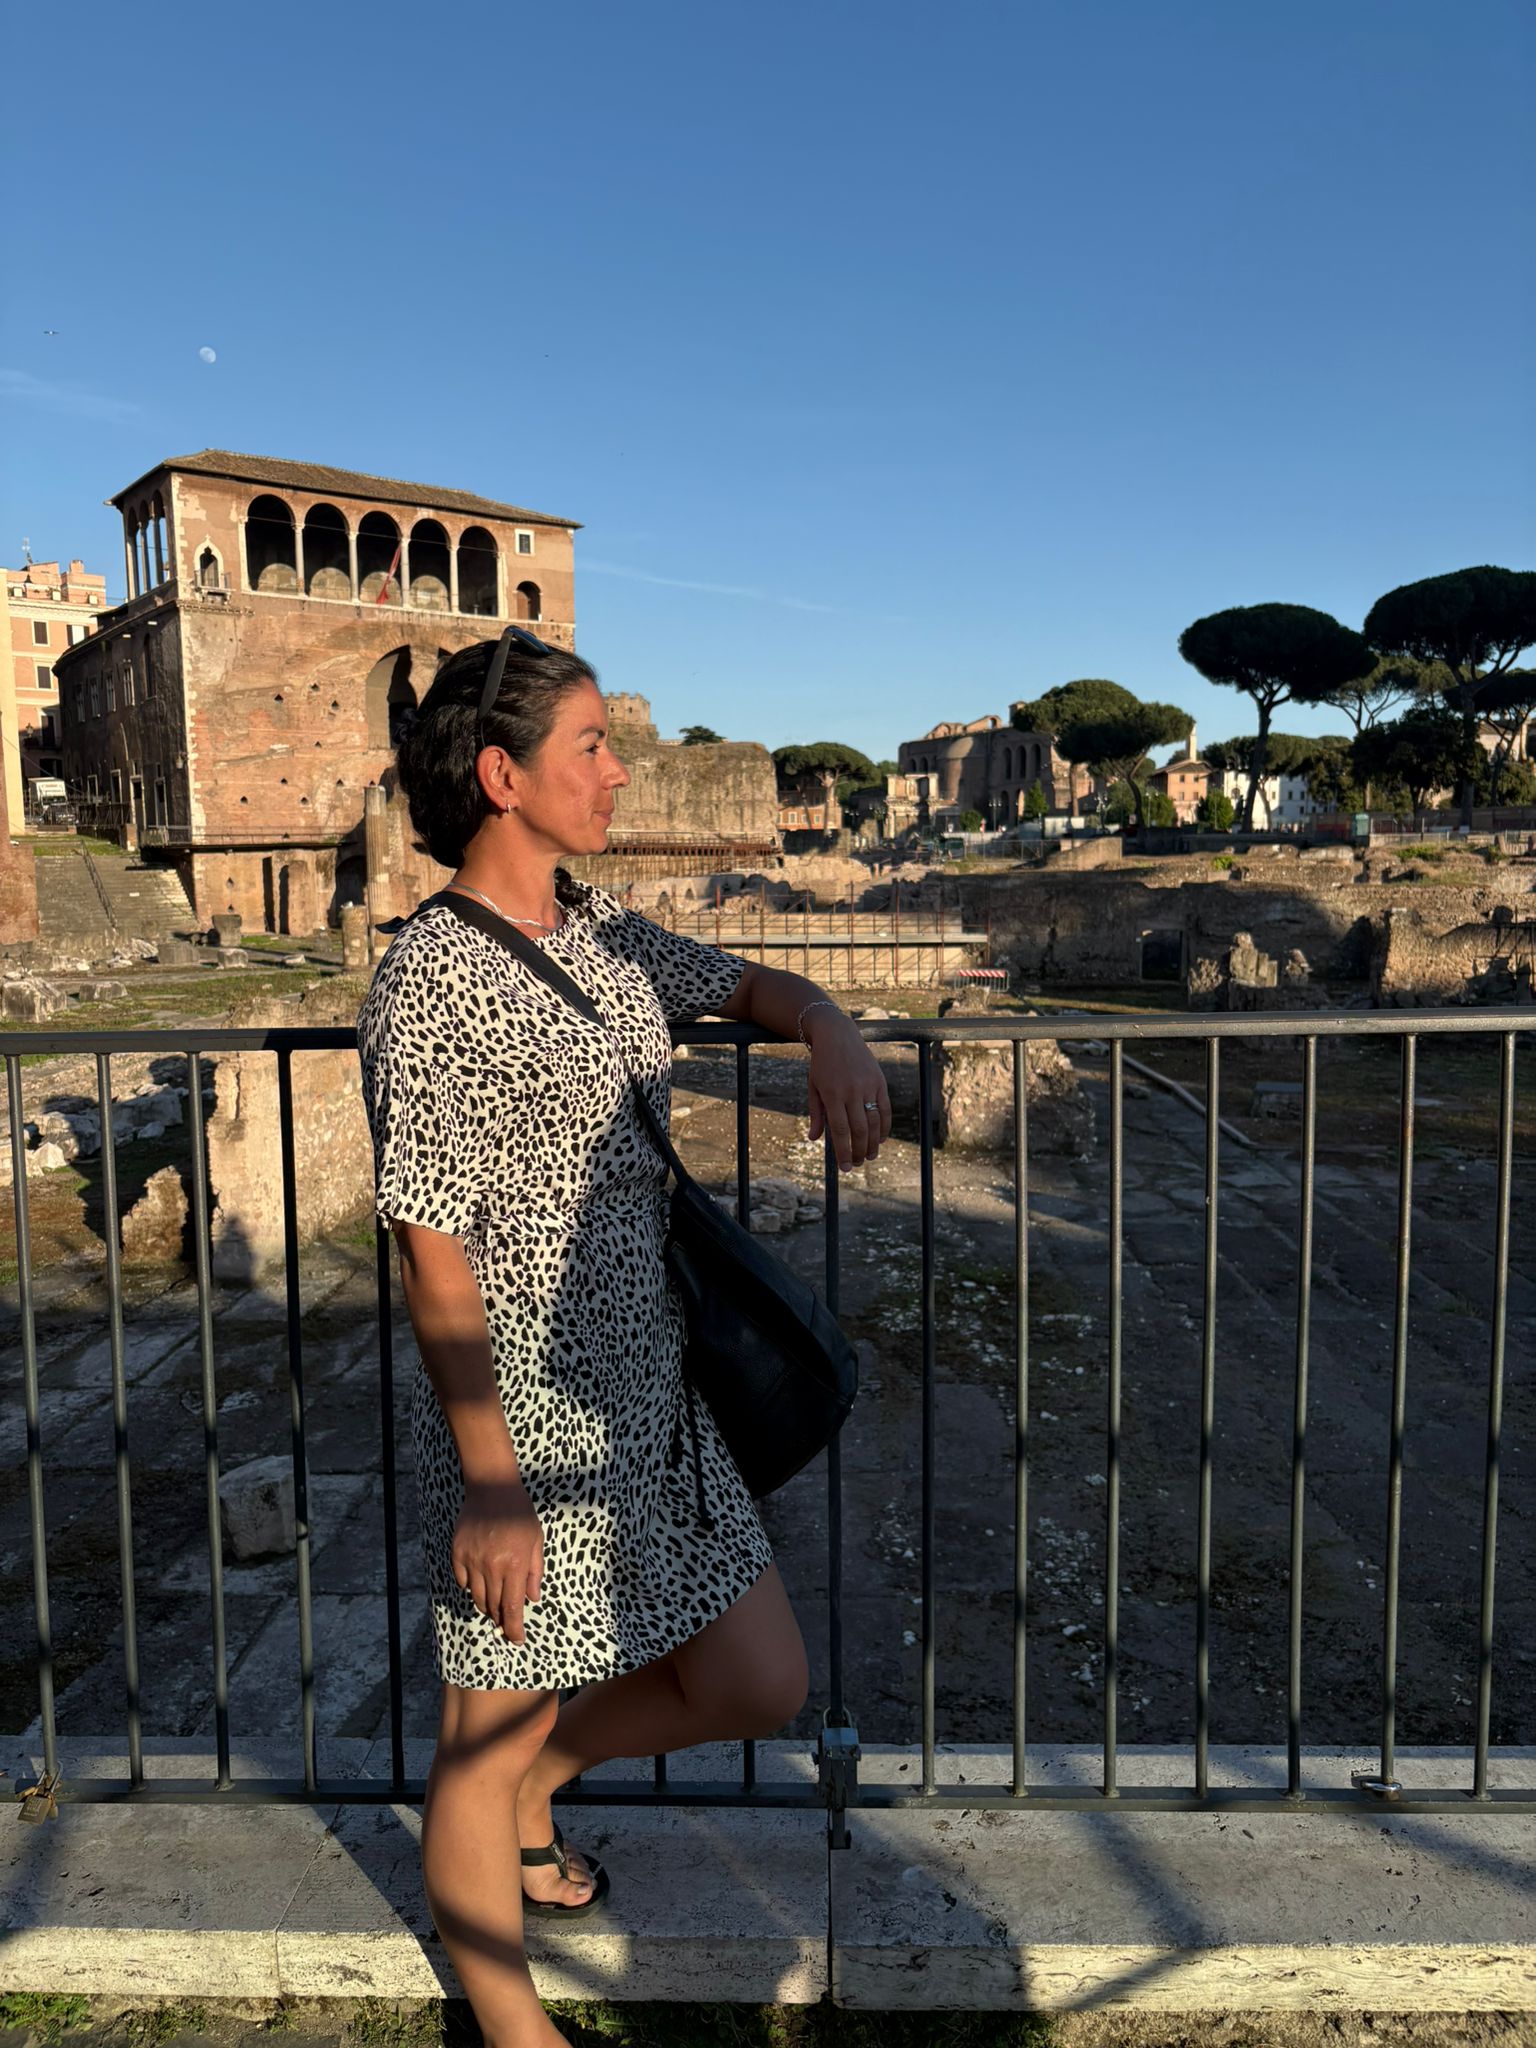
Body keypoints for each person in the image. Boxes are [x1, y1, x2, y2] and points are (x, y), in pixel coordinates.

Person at [357, 625, 891, 2048]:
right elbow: (431, 1247)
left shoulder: (593, 932)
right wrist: (489, 1481)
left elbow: (739, 983)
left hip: (653, 1391)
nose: (619, 772)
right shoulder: (430, 981)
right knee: (479, 1740)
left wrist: (826, 1019)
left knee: (758, 1680)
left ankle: (545, 1782)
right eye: (591, 747)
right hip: (522, 1417)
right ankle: (511, 2023)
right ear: (502, 776)